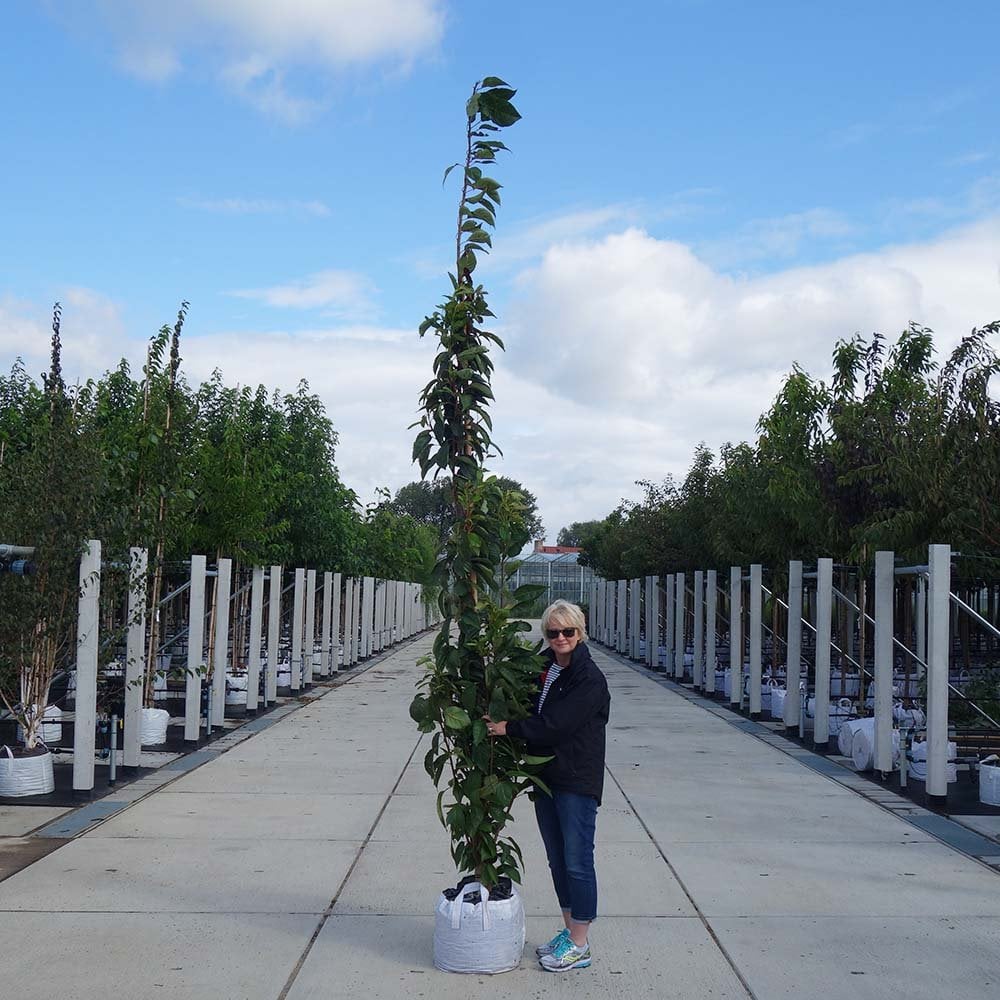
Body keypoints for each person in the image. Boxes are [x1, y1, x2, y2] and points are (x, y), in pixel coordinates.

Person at [484, 599, 610, 973]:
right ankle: (570, 931)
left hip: (576, 779)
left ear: (580, 631)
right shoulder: (545, 667)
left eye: (567, 631)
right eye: (553, 632)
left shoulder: (589, 680)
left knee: (577, 861)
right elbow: (523, 698)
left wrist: (510, 728)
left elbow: (556, 724)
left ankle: (581, 944)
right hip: (546, 776)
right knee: (558, 859)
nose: (560, 638)